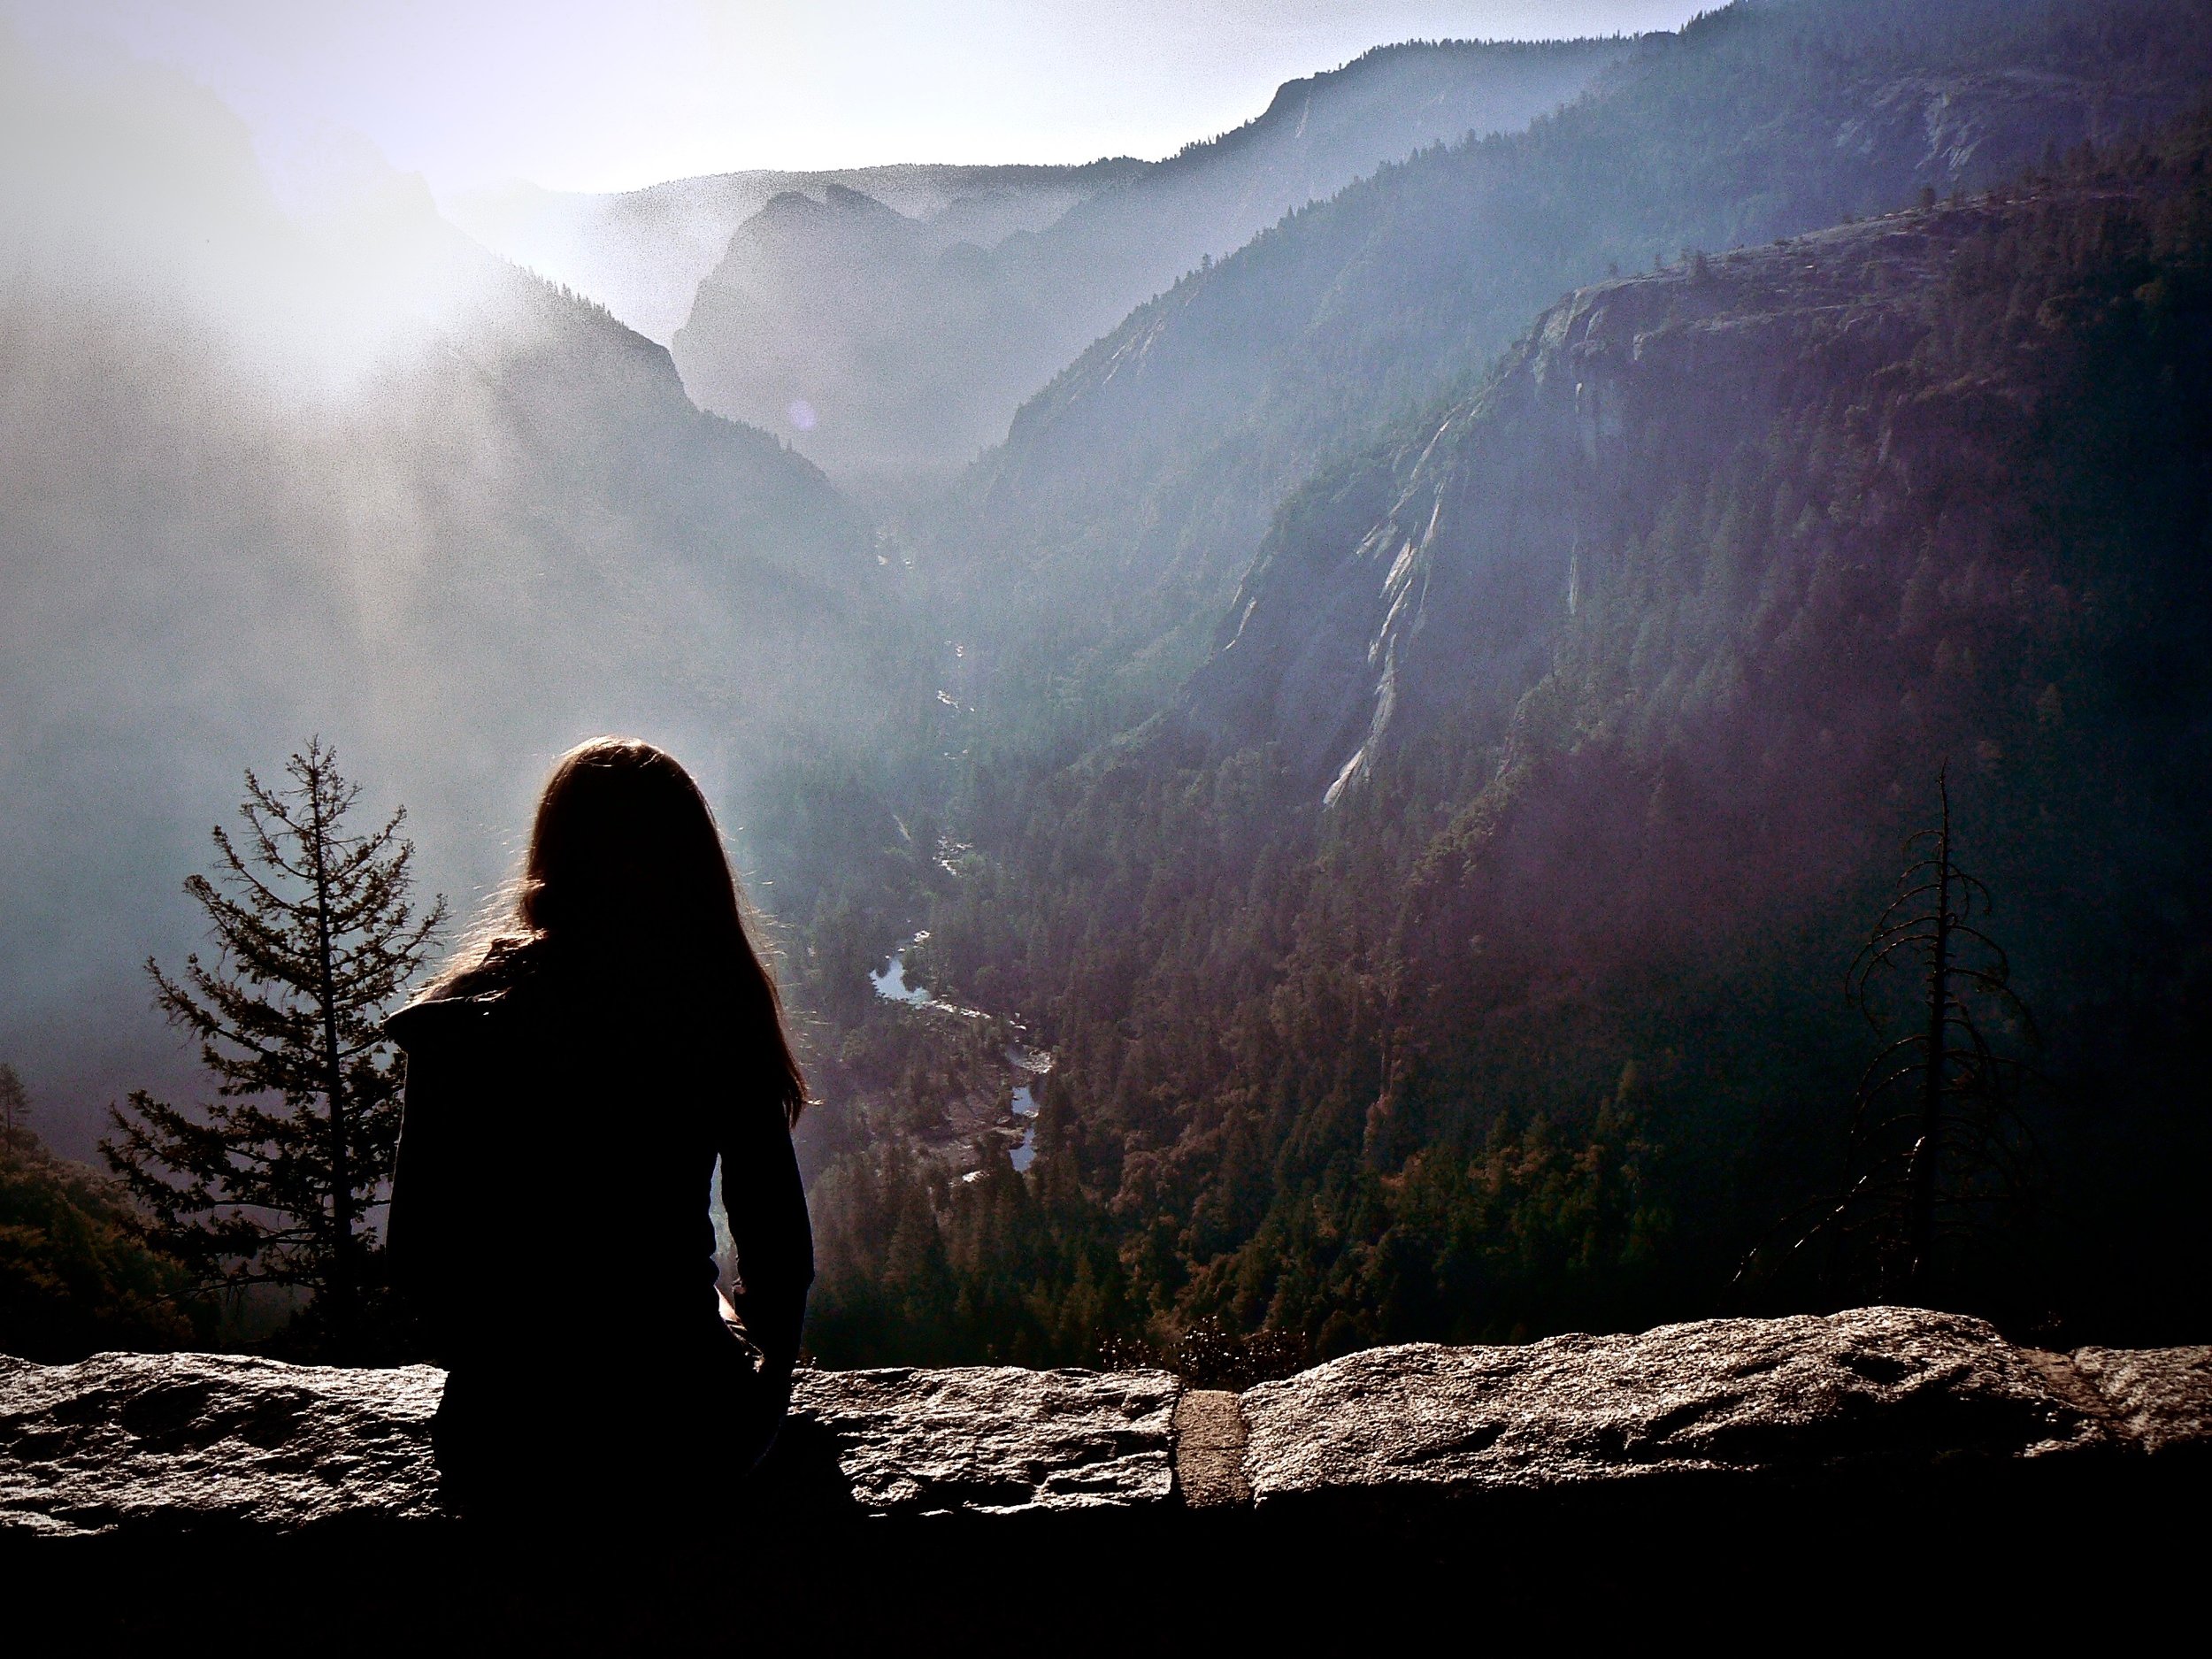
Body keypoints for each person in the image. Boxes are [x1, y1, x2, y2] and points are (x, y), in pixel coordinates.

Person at [386, 737, 812, 1511]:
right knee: (702, 1304)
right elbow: (780, 1254)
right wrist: (764, 1393)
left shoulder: (457, 1017)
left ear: (552, 851)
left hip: (506, 1439)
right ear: (693, 865)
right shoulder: (711, 1004)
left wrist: (509, 1364)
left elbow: (419, 1255)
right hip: (685, 1430)